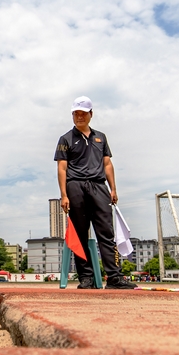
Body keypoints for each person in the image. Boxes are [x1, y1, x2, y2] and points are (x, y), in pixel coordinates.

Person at [55, 96, 135, 290]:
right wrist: (64, 195)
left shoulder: (101, 137)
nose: (79, 117)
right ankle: (86, 278)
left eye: (83, 113)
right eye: (76, 113)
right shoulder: (65, 139)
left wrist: (113, 188)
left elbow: (107, 163)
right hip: (75, 187)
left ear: (91, 114)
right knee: (80, 234)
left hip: (99, 186)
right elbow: (62, 168)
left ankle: (114, 277)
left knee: (106, 233)